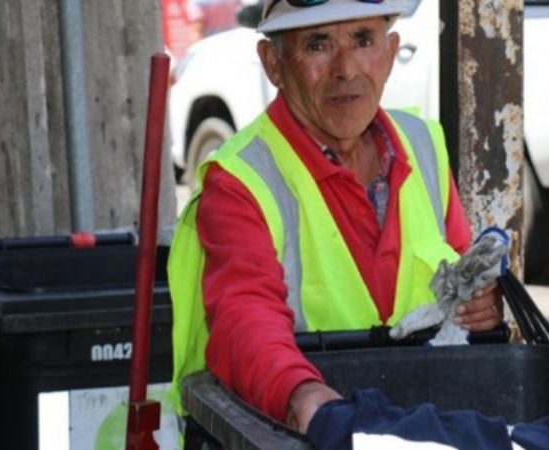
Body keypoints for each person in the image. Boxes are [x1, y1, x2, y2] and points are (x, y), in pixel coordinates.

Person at [168, 0, 503, 434]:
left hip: (411, 426)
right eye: (317, 44)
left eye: (363, 40)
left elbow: (462, 280)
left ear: (390, 50)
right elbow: (244, 316)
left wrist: (482, 308)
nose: (346, 69)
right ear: (273, 63)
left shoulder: (422, 144)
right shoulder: (240, 181)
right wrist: (302, 394)